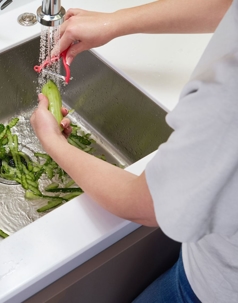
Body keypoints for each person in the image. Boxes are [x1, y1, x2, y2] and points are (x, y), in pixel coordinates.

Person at [30, 0, 237, 302]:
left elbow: (145, 203)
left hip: (212, 288)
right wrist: (116, 22)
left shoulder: (228, 98)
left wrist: (53, 142)